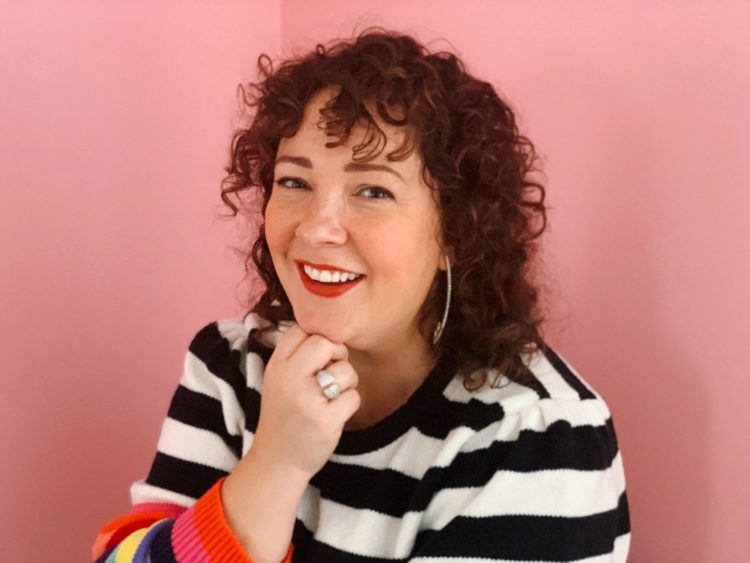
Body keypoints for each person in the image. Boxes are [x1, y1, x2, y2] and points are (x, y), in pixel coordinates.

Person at [93, 27, 631, 562]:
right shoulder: (231, 370)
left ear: (457, 230)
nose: (317, 228)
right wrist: (275, 465)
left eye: (373, 191)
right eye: (294, 182)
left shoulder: (536, 436)